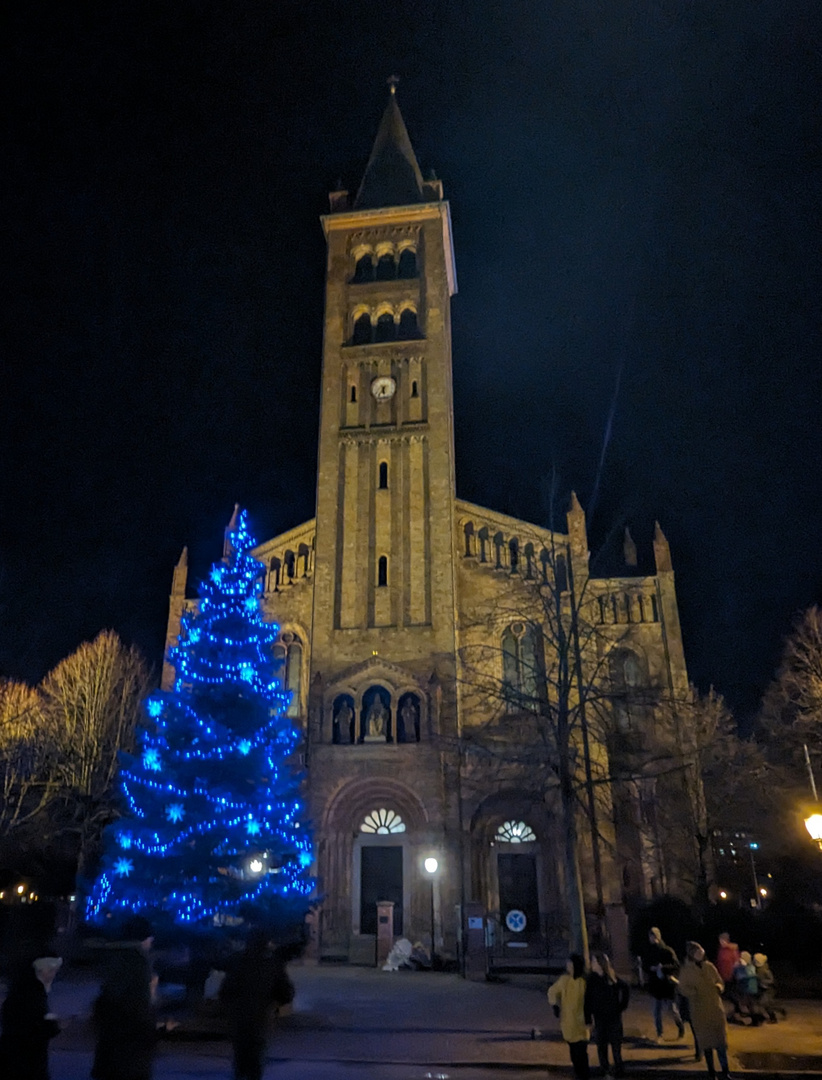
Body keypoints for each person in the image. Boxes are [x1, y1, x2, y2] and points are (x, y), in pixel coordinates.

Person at [220, 928, 292, 1080]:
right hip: (261, 1017)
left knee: (240, 1057)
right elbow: (286, 992)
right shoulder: (272, 964)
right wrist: (277, 1003)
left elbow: (225, 990)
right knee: (256, 1059)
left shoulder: (238, 960)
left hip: (239, 1018)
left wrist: (229, 1007)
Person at [92, 945, 156, 1080]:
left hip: (108, 1067)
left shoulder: (106, 1000)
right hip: (131, 1068)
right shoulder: (138, 1004)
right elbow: (147, 1035)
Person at [0, 956, 62, 1080]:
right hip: (29, 1058)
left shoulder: (15, 995)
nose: (52, 975)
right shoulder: (35, 995)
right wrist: (55, 1026)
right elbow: (39, 1027)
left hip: (12, 1056)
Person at [676, 941, 731, 1080]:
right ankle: (711, 1073)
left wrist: (719, 986)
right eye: (697, 952)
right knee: (706, 1044)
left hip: (715, 1008)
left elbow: (720, 981)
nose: (701, 954)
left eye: (701, 951)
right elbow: (682, 988)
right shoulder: (687, 970)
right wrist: (692, 992)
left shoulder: (709, 966)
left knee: (721, 1043)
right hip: (699, 1010)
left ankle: (725, 1072)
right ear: (691, 954)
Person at [584, 951, 629, 1077]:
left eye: (593, 961)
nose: (591, 964)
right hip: (600, 1019)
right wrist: (588, 1019)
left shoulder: (611, 977)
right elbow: (587, 1000)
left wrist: (621, 1007)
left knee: (616, 1048)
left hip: (613, 1019)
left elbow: (625, 988)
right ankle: (605, 1070)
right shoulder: (592, 979)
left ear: (600, 964)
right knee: (601, 1047)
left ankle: (619, 1071)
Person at [548, 953, 590, 1079]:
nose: (567, 966)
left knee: (581, 1052)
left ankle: (583, 1075)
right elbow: (552, 991)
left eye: (570, 963)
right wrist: (554, 1005)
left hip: (582, 1024)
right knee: (574, 1053)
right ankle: (579, 1073)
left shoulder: (584, 982)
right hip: (569, 1023)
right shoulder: (564, 980)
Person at [644, 927, 684, 1041]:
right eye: (650, 936)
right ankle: (659, 1033)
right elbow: (645, 965)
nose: (651, 938)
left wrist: (663, 968)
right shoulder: (649, 951)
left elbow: (676, 965)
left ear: (658, 937)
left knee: (672, 1010)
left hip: (667, 986)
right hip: (655, 985)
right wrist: (650, 968)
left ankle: (680, 1027)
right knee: (656, 1012)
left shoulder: (667, 950)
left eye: (653, 936)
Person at [715, 933, 741, 1021]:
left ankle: (737, 1008)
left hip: (731, 975)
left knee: (730, 993)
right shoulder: (721, 950)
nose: (721, 942)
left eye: (723, 940)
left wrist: (733, 972)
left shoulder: (732, 950)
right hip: (723, 975)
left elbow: (736, 962)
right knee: (726, 993)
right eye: (720, 940)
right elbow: (719, 962)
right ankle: (735, 1010)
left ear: (726, 940)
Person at [752, 953, 783, 1024]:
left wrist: (762, 981)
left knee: (764, 1003)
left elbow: (771, 980)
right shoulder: (758, 969)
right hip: (763, 988)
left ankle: (772, 1017)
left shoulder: (765, 970)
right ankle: (770, 1016)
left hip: (769, 989)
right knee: (763, 1004)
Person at [732, 951, 757, 1023]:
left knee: (747, 1004)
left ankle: (752, 1019)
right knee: (747, 1004)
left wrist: (741, 967)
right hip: (745, 989)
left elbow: (742, 977)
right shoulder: (745, 966)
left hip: (747, 989)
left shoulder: (749, 967)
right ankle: (751, 1018)